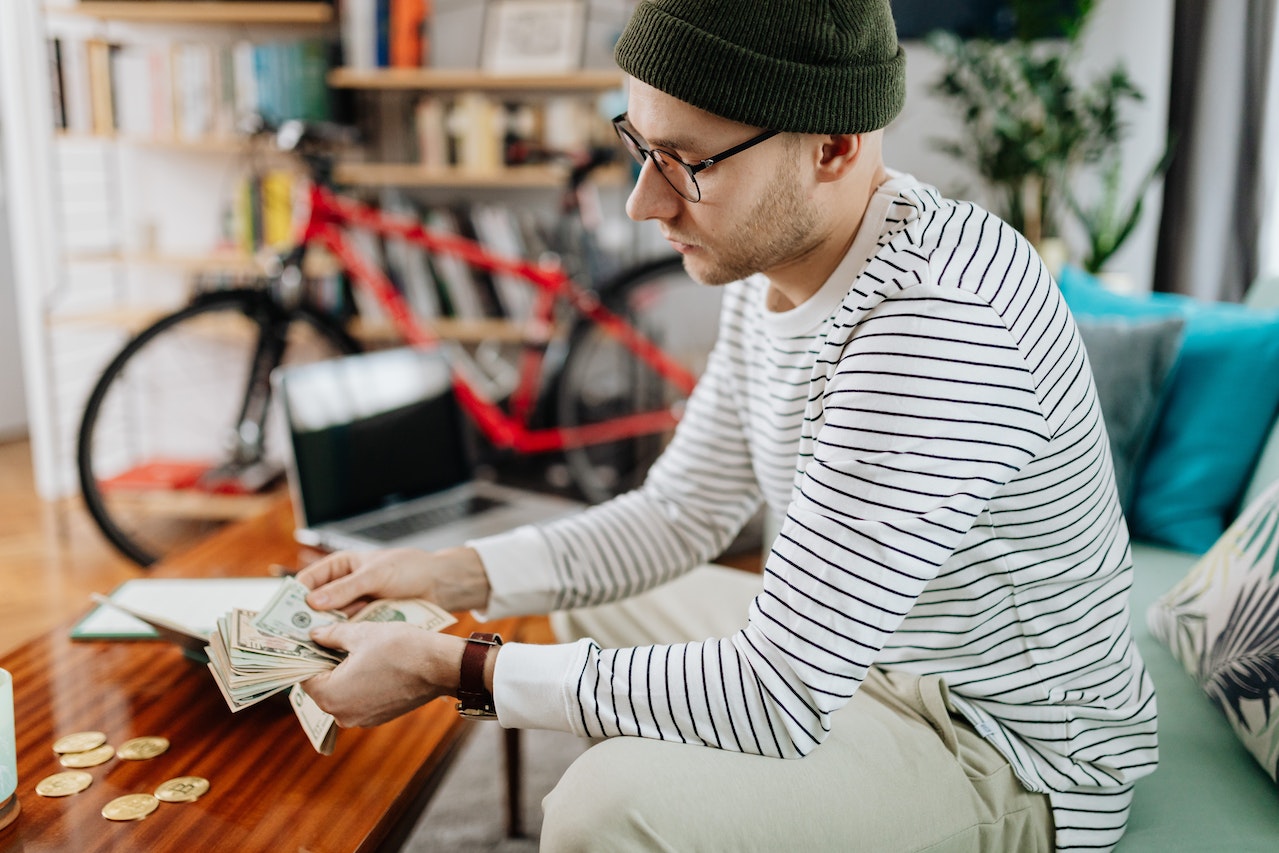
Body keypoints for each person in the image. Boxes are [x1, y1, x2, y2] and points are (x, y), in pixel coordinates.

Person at [298, 1, 1158, 850]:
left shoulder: (934, 326)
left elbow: (776, 689)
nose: (642, 202)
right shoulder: (776, 262)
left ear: (833, 144)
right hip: (860, 659)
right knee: (595, 602)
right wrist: (448, 573)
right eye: (639, 146)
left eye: (686, 161)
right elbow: (681, 512)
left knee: (603, 807)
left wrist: (450, 668)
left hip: (1000, 749)